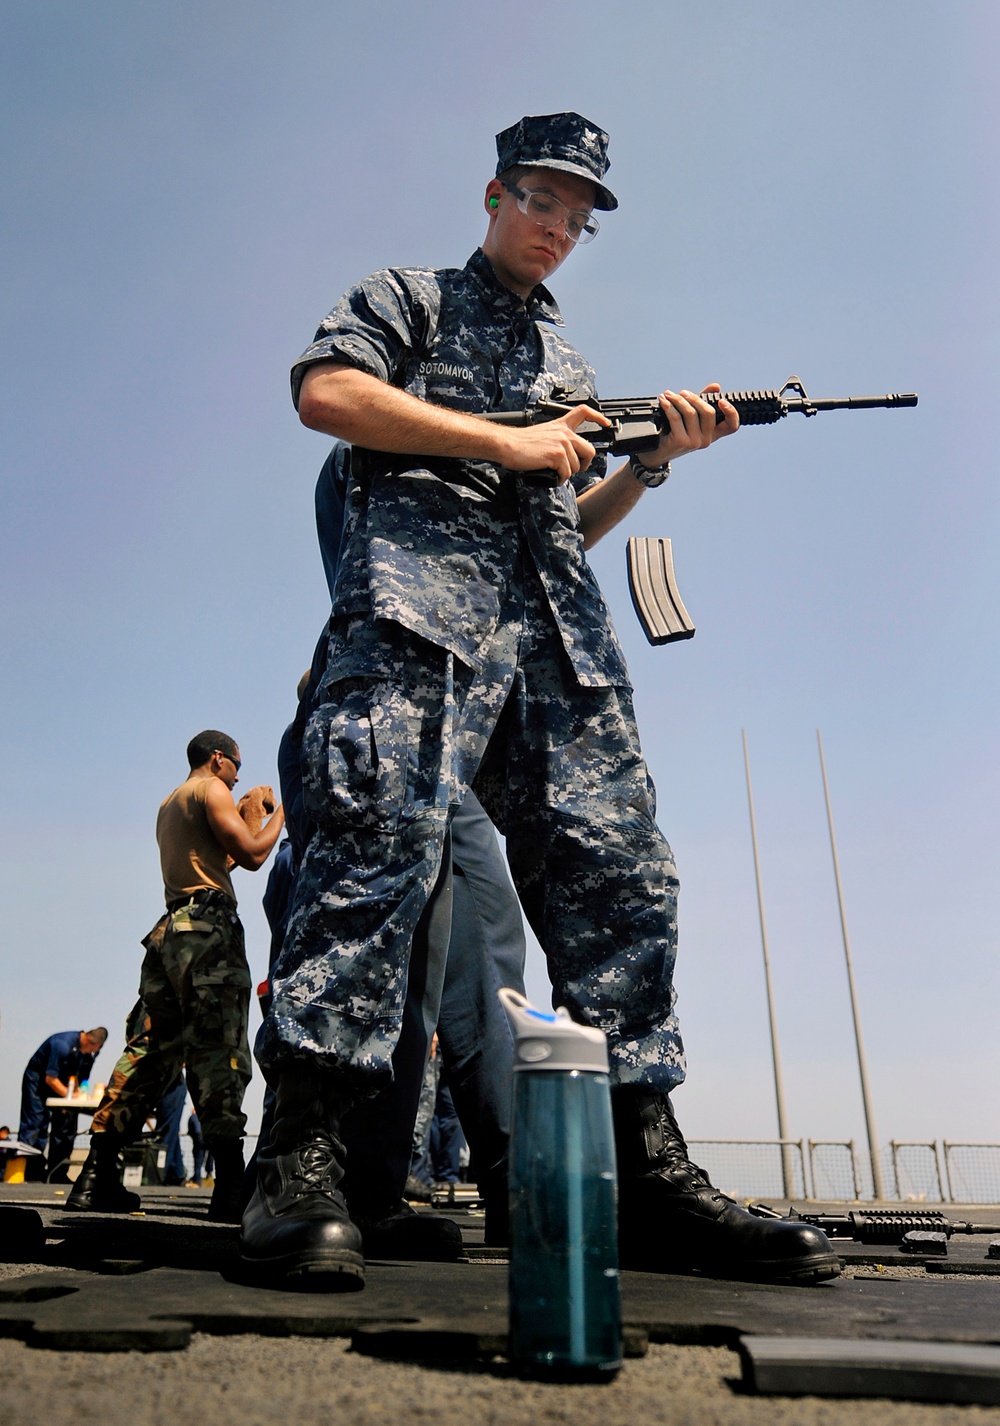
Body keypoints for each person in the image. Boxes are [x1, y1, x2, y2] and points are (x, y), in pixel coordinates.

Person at [242, 112, 838, 1289]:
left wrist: (650, 459)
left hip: (553, 650)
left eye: (577, 218)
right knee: (371, 862)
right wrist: (502, 445)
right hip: (419, 626)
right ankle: (303, 1156)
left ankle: (643, 1165)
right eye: (541, 203)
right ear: (494, 195)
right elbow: (325, 395)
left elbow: (564, 521)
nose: (557, 230)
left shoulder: (564, 365)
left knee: (623, 878)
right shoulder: (408, 298)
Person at [68, 731, 284, 1220]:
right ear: (217, 759)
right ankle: (230, 1185)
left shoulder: (170, 803)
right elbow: (251, 855)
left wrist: (248, 812)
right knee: (219, 1048)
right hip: (208, 929)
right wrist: (282, 812)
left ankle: (95, 1175)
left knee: (150, 1049)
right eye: (236, 766)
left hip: (170, 931)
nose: (238, 776)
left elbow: (216, 859)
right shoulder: (211, 790)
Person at [18, 1028, 107, 1181]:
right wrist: (69, 1097)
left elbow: (81, 1076)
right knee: (36, 1124)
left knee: (66, 1127)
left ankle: (57, 1173)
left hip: (66, 1084)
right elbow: (50, 1079)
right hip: (38, 1081)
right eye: (92, 1049)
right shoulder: (61, 1045)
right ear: (89, 1041)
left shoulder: (91, 1052)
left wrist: (76, 1098)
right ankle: (30, 1171)